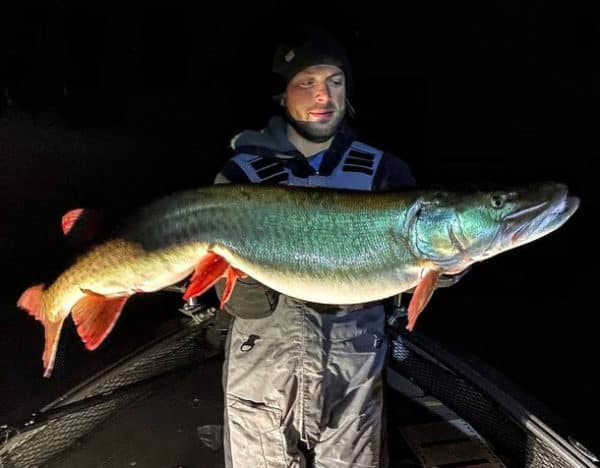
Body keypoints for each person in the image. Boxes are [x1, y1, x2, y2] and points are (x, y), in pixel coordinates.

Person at [212, 25, 463, 468]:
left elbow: (414, 273)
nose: (323, 95)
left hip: (354, 364)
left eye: (335, 81)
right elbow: (237, 301)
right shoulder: (241, 175)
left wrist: (451, 267)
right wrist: (245, 279)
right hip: (264, 359)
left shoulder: (385, 171)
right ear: (283, 94)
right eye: (306, 82)